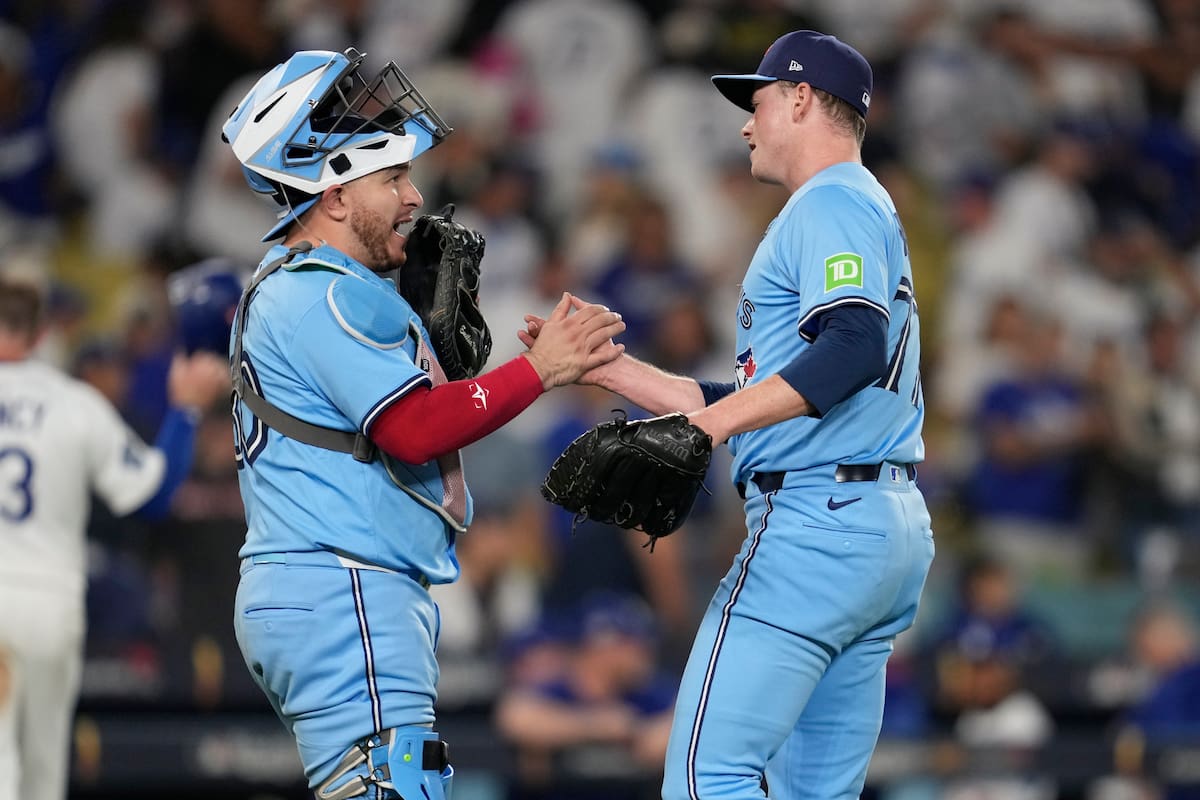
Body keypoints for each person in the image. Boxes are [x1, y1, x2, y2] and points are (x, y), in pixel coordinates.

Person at [523, 29, 935, 800]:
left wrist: (703, 433)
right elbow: (774, 396)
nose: (747, 125)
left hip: (816, 523)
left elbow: (854, 347)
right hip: (876, 520)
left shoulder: (830, 199)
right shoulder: (860, 204)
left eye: (761, 102)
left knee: (703, 777)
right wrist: (616, 372)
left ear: (802, 99)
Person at [220, 47, 625, 800]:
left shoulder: (297, 284)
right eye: (392, 178)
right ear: (334, 195)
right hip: (343, 583)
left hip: (325, 582)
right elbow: (411, 431)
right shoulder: (322, 292)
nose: (413, 197)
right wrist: (539, 370)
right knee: (395, 785)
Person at [0, 277, 229, 800]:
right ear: (40, 334)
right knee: (41, 772)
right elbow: (153, 496)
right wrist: (186, 410)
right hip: (47, 599)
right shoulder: (72, 403)